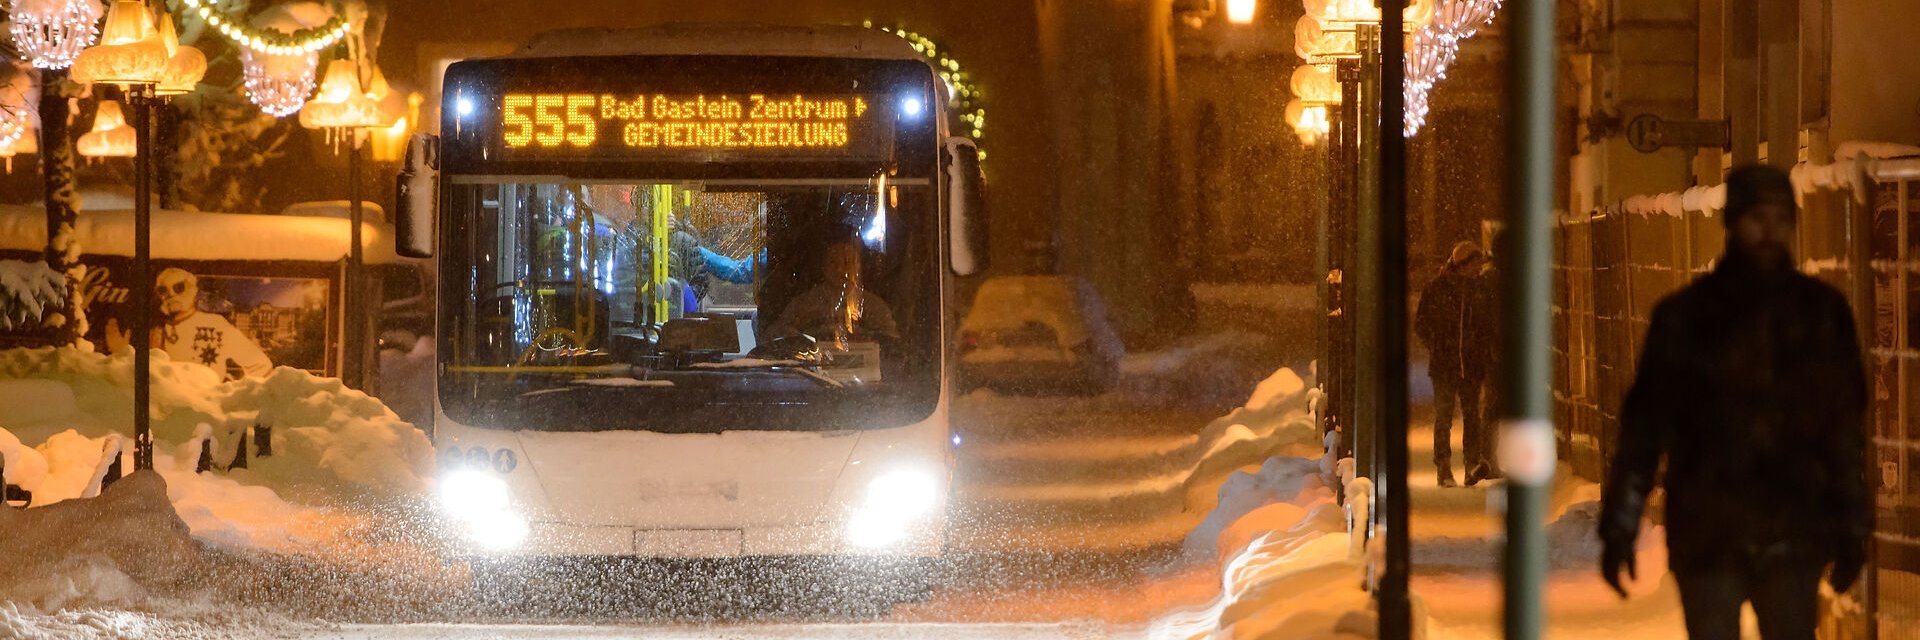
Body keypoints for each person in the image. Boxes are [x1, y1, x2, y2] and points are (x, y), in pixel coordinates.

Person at [1599, 165, 1869, 640]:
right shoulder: (1688, 317)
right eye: (1756, 217)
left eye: (1780, 219)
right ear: (1732, 223)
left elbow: (1843, 429)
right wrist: (1620, 522)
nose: (1769, 231)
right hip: (1715, 528)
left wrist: (1852, 522)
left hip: (1786, 524)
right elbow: (1645, 428)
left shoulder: (1819, 315)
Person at [1415, 241, 1493, 487]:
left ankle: (1471, 464)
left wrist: (1480, 349)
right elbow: (1422, 323)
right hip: (1445, 365)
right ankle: (1444, 466)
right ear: (1463, 264)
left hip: (1470, 365)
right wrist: (1438, 345)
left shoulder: (1478, 289)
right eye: (1474, 264)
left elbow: (1485, 325)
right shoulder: (1437, 289)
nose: (1478, 269)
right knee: (1444, 416)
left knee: (1471, 416)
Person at [139, 268, 274, 380]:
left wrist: (233, 395)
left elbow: (261, 365)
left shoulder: (215, 324)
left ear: (193, 290)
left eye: (179, 287)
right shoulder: (154, 330)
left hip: (206, 405)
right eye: (163, 290)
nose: (171, 294)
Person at [764, 234, 897, 346]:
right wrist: (798, 327)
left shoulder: (874, 306)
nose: (839, 269)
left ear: (859, 266)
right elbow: (773, 336)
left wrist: (868, 334)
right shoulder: (804, 304)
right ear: (822, 265)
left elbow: (891, 343)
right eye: (833, 262)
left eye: (847, 262)